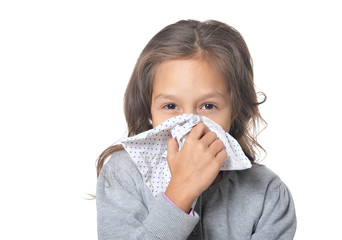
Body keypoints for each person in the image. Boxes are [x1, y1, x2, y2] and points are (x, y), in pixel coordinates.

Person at [96, 19, 297, 240]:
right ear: (148, 109)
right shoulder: (122, 175)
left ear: (235, 110)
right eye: (171, 106)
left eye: (208, 106)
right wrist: (179, 194)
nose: (189, 126)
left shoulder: (268, 193)